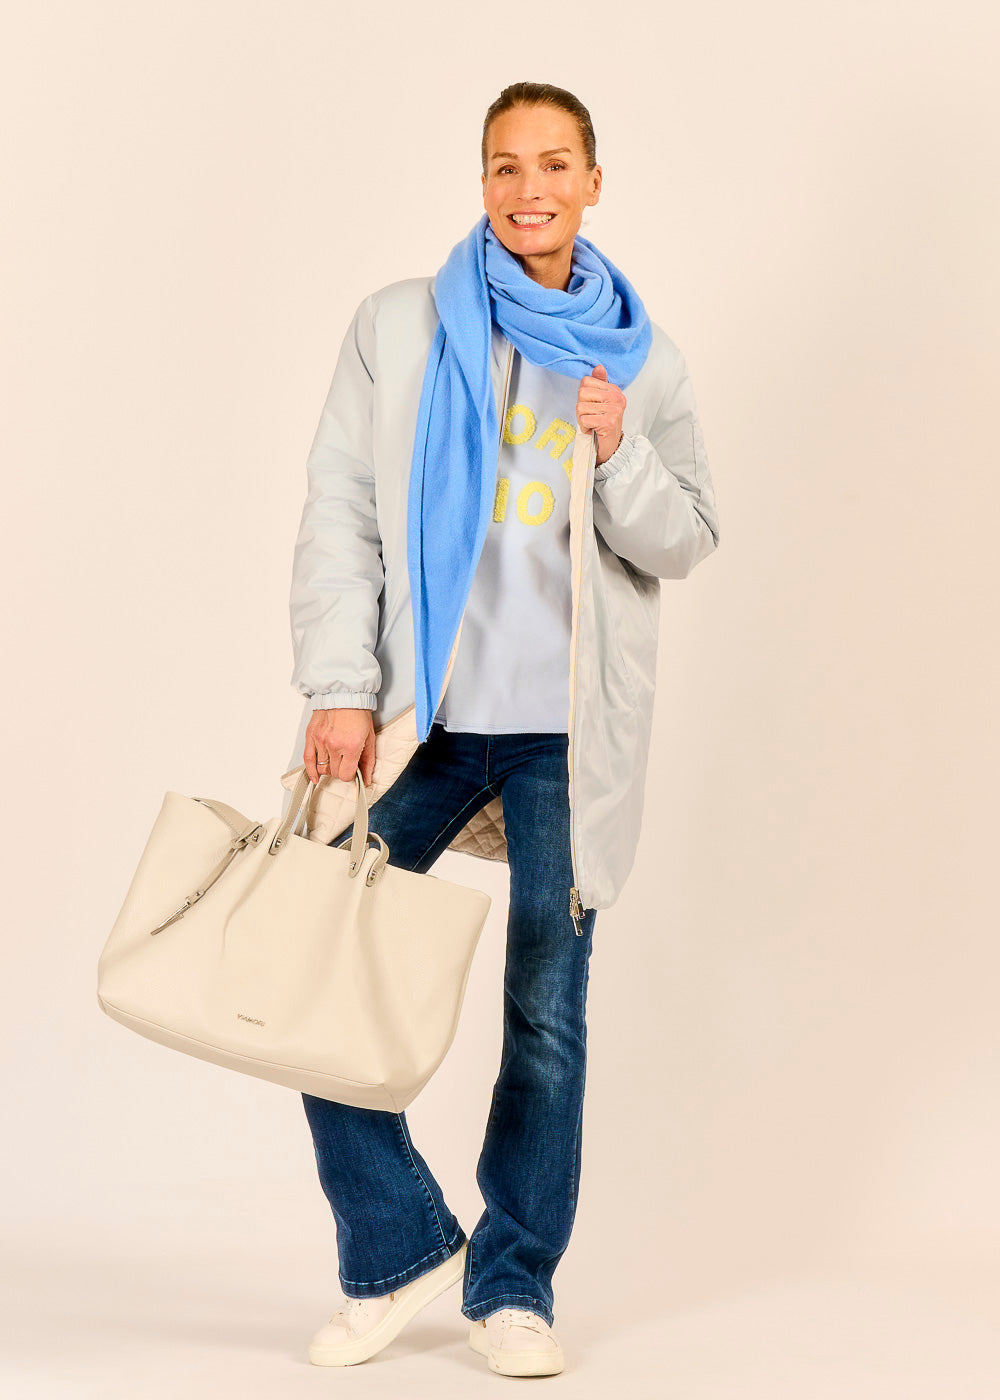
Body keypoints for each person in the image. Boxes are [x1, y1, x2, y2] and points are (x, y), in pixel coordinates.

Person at [286, 81, 720, 1378]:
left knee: (545, 1015)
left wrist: (619, 450)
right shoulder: (401, 326)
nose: (530, 189)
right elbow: (341, 509)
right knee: (308, 951)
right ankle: (398, 1242)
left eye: (554, 164)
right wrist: (339, 686)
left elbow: (688, 537)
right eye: (505, 166)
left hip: (562, 741)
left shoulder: (641, 358)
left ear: (594, 181)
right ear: (482, 183)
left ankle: (514, 1283)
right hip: (426, 719)